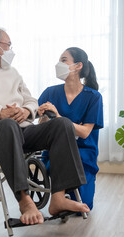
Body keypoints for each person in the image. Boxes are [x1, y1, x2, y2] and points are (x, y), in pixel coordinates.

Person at [0, 27, 90, 225]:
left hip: (22, 129)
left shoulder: (12, 72)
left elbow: (31, 99)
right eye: (8, 45)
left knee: (62, 124)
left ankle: (59, 198)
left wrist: (26, 111)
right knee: (8, 125)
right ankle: (24, 200)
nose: (10, 50)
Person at [38, 47, 103, 210]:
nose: (59, 64)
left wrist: (58, 118)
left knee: (85, 204)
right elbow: (41, 127)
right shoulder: (49, 93)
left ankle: (62, 196)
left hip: (83, 155)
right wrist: (44, 118)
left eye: (64, 60)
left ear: (77, 66)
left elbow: (85, 132)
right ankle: (59, 197)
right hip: (55, 153)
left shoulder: (93, 97)